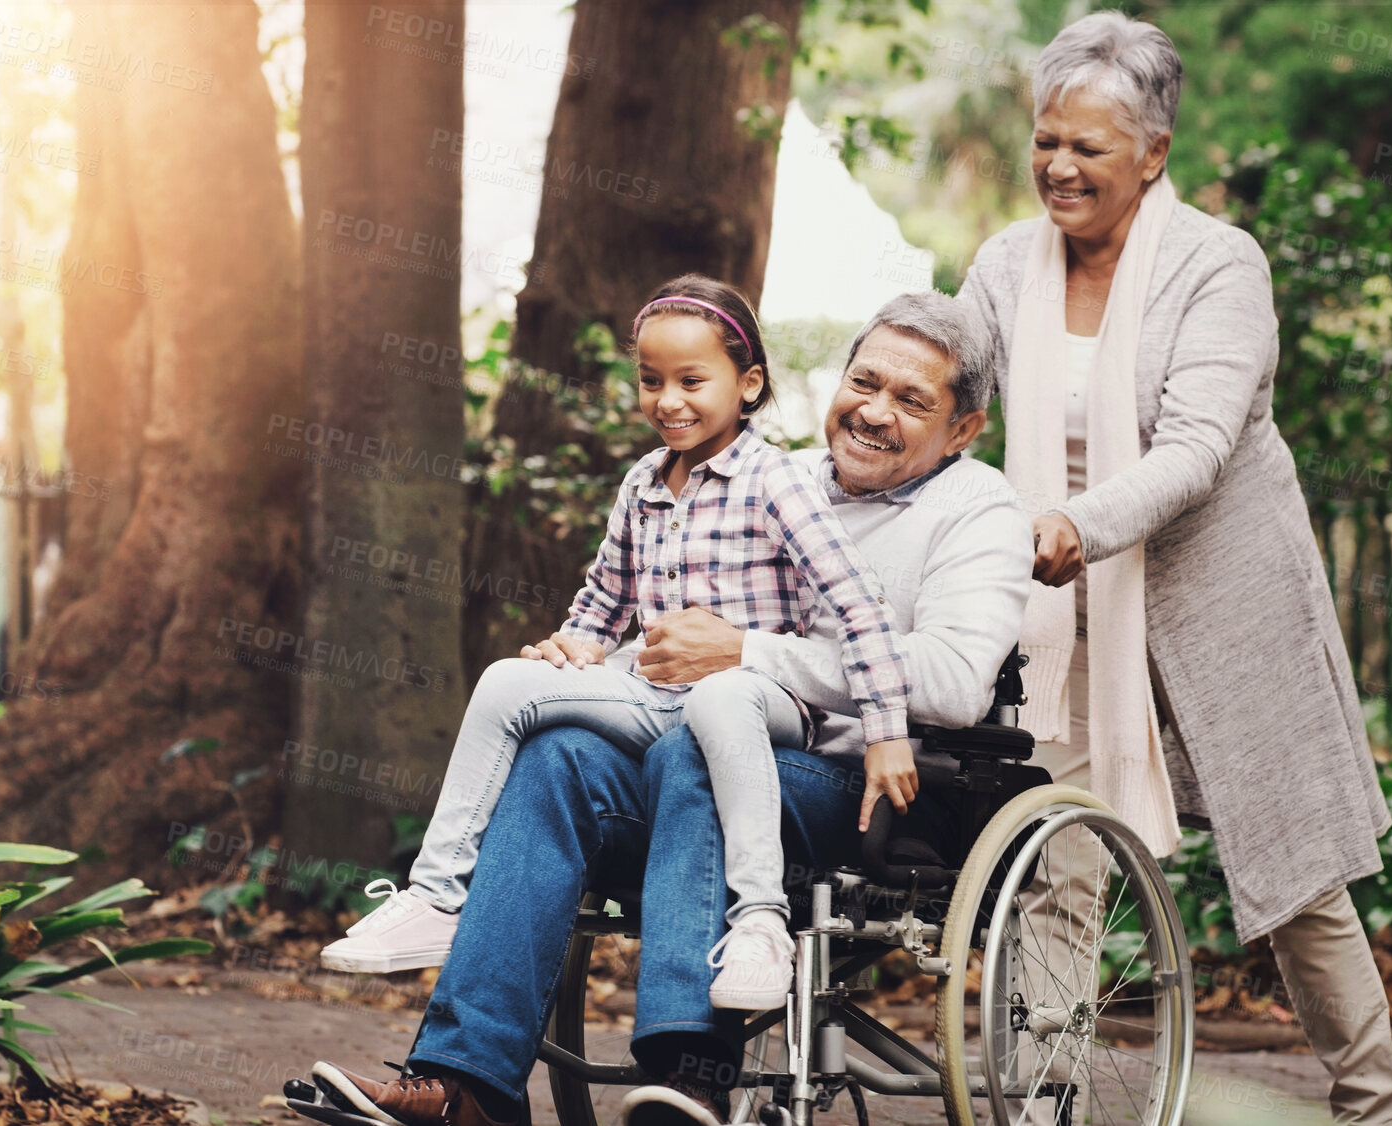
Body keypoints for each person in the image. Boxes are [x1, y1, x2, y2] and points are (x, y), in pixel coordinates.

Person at [300, 292, 1035, 1126]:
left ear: (964, 429)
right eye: (863, 382)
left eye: (912, 401)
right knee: (560, 751)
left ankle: (686, 1083)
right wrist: (583, 661)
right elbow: (666, 627)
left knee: (698, 746)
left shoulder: (980, 512)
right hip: (698, 737)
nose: (872, 412)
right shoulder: (767, 474)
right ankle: (463, 1083)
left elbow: (950, 679)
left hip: (856, 783)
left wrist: (746, 654)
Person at [957, 11, 1392, 1124]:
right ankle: (1048, 1098)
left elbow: (1196, 449)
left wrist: (1069, 524)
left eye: (1088, 148)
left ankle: (1371, 1100)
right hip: (1059, 611)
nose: (1057, 166)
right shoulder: (1006, 262)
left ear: (1152, 151)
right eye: (1044, 141)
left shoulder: (1217, 265)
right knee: (1052, 853)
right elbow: (949, 391)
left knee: (1295, 869)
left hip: (1219, 597)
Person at [321, 274, 920, 1013]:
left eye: (692, 380)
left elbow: (859, 603)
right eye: (650, 380)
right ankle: (435, 897)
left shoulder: (774, 481)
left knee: (726, 694)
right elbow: (603, 601)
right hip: (654, 696)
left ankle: (759, 924)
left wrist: (886, 732)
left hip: (763, 702)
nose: (668, 400)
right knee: (508, 682)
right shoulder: (642, 482)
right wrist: (571, 646)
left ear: (748, 383)